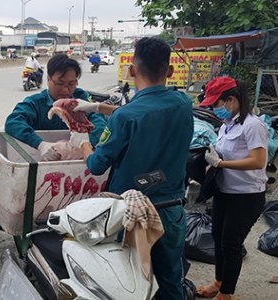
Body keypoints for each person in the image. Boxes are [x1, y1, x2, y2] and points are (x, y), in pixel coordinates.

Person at [69, 37, 193, 300]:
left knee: (130, 282)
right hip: (171, 210)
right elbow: (147, 110)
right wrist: (99, 107)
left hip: (131, 215)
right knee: (171, 280)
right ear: (169, 71)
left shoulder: (124, 117)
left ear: (132, 71)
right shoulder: (183, 104)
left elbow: (96, 164)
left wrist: (82, 145)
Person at [196, 76, 268, 300]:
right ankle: (219, 281)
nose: (216, 109)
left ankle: (227, 293)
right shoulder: (227, 126)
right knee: (218, 237)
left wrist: (222, 164)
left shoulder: (253, 125)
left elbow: (258, 160)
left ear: (232, 100)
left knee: (231, 244)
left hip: (246, 196)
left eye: (217, 104)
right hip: (224, 192)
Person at [5, 53, 106, 161]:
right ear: (48, 79)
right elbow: (13, 122)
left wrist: (83, 145)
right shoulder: (36, 103)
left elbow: (99, 122)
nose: (66, 90)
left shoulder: (80, 98)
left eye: (71, 84)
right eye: (60, 84)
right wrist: (40, 144)